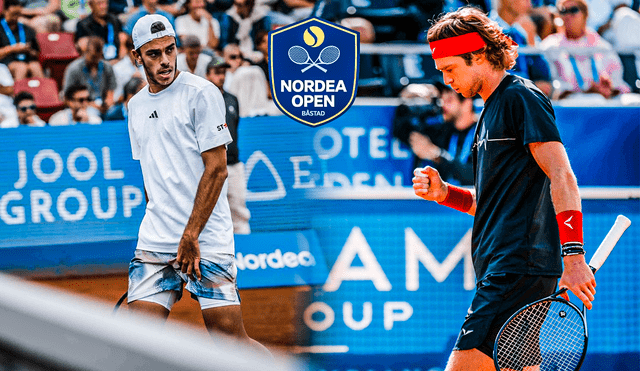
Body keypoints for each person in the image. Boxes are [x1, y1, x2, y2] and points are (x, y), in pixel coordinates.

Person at [413, 7, 596, 371]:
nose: (446, 79)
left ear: (478, 55)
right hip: (512, 268)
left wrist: (574, 257)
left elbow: (562, 175)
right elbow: (493, 203)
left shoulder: (520, 97)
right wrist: (445, 194)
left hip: (516, 268)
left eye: (450, 69)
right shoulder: (489, 113)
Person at [125, 14, 269, 353]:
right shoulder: (135, 106)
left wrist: (190, 235)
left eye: (169, 50)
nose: (164, 61)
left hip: (206, 238)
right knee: (135, 342)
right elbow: (152, 174)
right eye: (153, 54)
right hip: (157, 240)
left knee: (232, 342)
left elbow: (218, 169)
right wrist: (161, 224)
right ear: (137, 57)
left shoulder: (202, 93)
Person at [539, 0, 631, 100]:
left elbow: (617, 83)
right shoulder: (550, 46)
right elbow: (552, 87)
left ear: (585, 15)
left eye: (573, 10)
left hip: (605, 101)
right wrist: (587, 91)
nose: (568, 15)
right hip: (569, 103)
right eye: (563, 11)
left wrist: (608, 88)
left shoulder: (602, 47)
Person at [206, 56, 251, 234]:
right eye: (217, 73)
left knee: (239, 211)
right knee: (213, 214)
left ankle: (246, 254)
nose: (221, 76)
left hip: (233, 164)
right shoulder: (201, 100)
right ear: (208, 75)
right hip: (211, 167)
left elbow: (235, 126)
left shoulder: (232, 99)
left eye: (223, 72)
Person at [403, 84, 477, 186]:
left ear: (467, 103)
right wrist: (407, 95)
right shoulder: (444, 130)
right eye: (442, 99)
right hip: (444, 199)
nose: (443, 105)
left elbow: (476, 176)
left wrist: (437, 155)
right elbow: (404, 131)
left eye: (449, 100)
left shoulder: (484, 132)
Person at [489, 0, 553, 96]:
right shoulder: (486, 32)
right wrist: (531, 86)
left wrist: (531, 41)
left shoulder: (520, 33)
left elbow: (543, 77)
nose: (529, 4)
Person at [62, 36, 118, 115]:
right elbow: (68, 98)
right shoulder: (73, 68)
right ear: (86, 51)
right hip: (82, 107)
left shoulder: (107, 67)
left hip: (103, 106)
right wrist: (90, 105)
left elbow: (110, 92)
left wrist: (107, 104)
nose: (94, 60)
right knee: (91, 113)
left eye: (97, 57)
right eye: (92, 56)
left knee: (116, 112)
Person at [0, 0, 44, 81]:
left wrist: (29, 50)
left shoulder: (27, 29)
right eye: (13, 14)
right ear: (5, 12)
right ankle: (18, 93)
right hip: (6, 62)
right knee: (21, 68)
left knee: (35, 66)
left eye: (18, 14)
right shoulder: (1, 29)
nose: (15, 18)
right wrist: (13, 48)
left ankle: (42, 92)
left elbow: (37, 53)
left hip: (26, 59)